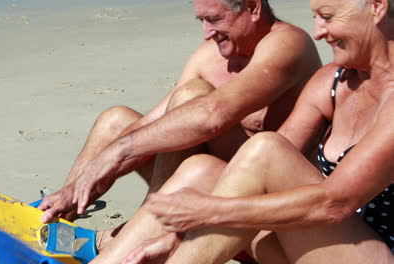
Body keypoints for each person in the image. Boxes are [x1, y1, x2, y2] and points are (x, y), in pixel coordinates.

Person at [96, 0, 394, 263]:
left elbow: (334, 204)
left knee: (266, 150)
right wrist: (180, 238)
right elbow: (258, 170)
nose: (317, 31)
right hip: (316, 242)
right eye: (315, 16)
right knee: (204, 170)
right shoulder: (331, 82)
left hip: (371, 252)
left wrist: (209, 212)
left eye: (327, 16)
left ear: (377, 7)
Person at [38, 0, 321, 256]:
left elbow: (214, 115)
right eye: (201, 21)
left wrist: (117, 153)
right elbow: (154, 123)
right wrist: (78, 185)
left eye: (214, 19)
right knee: (117, 121)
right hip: (201, 185)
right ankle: (55, 218)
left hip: (261, 212)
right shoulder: (209, 56)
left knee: (191, 98)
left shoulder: (288, 44)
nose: (207, 33)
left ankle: (125, 238)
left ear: (253, 7)